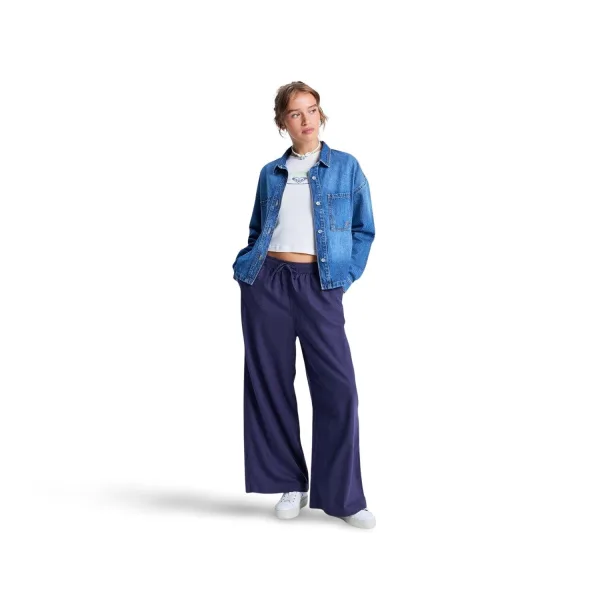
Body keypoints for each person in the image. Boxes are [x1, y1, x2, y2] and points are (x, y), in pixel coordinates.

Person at [232, 81, 376, 529]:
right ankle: (289, 482)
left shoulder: (346, 167)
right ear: (283, 122)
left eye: (311, 109)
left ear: (321, 114)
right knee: (270, 384)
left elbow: (363, 230)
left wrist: (343, 278)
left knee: (338, 388)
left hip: (320, 284)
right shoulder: (270, 172)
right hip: (267, 283)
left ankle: (343, 496)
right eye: (295, 113)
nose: (306, 119)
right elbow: (258, 228)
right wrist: (249, 270)